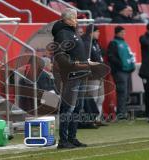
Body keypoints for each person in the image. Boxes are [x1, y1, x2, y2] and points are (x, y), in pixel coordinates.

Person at [52, 8, 92, 149]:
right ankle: (63, 140)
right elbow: (60, 54)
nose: (77, 21)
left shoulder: (71, 32)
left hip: (80, 74)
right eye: (75, 18)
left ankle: (72, 137)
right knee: (68, 108)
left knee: (77, 108)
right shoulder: (63, 34)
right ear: (67, 20)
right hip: (72, 75)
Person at [107, 26, 135, 120]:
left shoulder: (124, 42)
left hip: (127, 71)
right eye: (122, 32)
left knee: (126, 92)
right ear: (117, 33)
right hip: (120, 71)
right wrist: (120, 64)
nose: (124, 34)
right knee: (122, 92)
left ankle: (123, 111)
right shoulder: (114, 43)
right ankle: (121, 113)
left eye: (124, 32)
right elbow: (111, 56)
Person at [82, 24, 106, 125]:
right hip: (92, 75)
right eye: (97, 31)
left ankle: (98, 119)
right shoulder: (87, 43)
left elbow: (99, 56)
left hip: (99, 74)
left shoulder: (95, 43)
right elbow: (87, 59)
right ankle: (92, 119)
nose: (99, 33)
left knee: (100, 98)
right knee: (93, 98)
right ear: (92, 32)